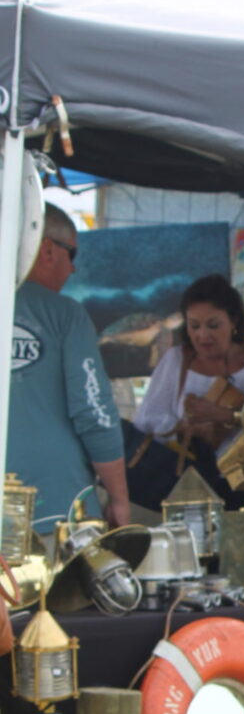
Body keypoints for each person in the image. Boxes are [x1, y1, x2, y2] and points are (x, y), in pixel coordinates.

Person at [7, 203, 129, 533]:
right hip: (55, 508)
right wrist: (119, 499)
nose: (73, 269)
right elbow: (94, 412)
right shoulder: (66, 315)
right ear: (47, 249)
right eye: (72, 254)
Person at [133, 274, 244, 453]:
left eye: (213, 325)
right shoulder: (176, 360)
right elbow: (146, 421)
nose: (202, 336)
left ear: (234, 321)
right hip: (187, 476)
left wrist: (227, 416)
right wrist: (182, 429)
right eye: (194, 326)